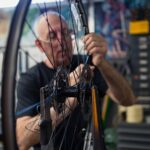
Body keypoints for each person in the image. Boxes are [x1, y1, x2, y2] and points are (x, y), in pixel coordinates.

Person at [16, 11, 136, 150]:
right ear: (40, 45)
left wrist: (101, 62)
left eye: (66, 33)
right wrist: (66, 102)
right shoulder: (30, 79)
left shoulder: (86, 63)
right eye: (52, 36)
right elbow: (21, 140)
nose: (62, 41)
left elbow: (128, 99)